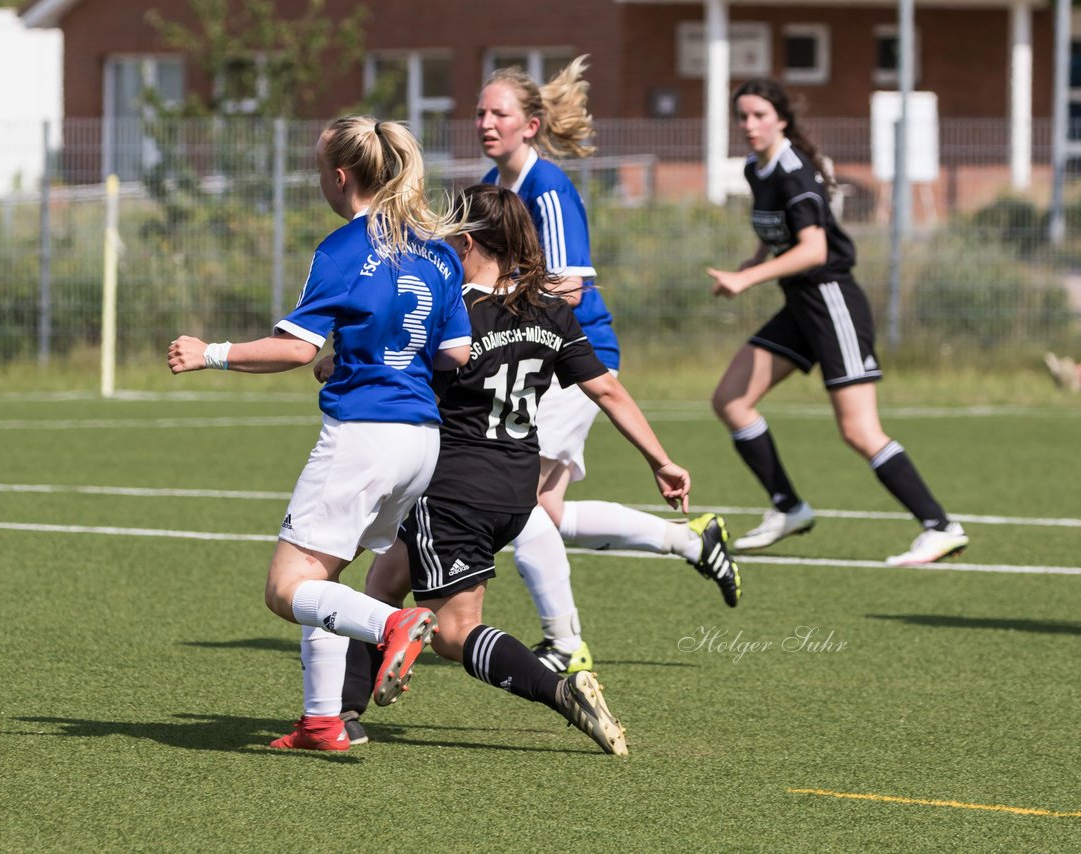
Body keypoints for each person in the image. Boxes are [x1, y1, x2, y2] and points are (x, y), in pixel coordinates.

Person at [334, 184, 723, 754]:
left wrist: (337, 367)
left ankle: (560, 690)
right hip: (516, 490)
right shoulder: (550, 310)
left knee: (453, 633)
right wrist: (661, 461)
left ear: (466, 242)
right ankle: (344, 712)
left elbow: (401, 369)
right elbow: (608, 390)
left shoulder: (454, 310)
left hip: (453, 489)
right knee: (386, 577)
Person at [167, 115, 472, 751]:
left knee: (288, 588)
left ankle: (393, 625)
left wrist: (211, 353)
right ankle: (321, 721)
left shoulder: (343, 249)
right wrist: (368, 353)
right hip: (421, 441)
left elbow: (294, 350)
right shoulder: (439, 252)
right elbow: (456, 353)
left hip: (365, 435)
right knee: (323, 577)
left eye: (318, 172)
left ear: (340, 178)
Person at [476, 57, 741, 676]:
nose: (486, 122)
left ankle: (566, 646)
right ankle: (689, 540)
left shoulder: (548, 190)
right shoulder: (499, 182)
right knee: (546, 513)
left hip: (572, 358)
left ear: (531, 125)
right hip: (538, 356)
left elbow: (567, 288)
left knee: (524, 508)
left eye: (499, 113)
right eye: (481, 112)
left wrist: (498, 310)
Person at [706, 78, 969, 566]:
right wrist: (753, 260)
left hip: (832, 303)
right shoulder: (754, 168)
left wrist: (750, 280)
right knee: (731, 400)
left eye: (759, 115)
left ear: (781, 119)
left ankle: (940, 526)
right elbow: (776, 231)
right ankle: (788, 507)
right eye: (742, 116)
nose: (748, 125)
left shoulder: (792, 170)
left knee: (859, 430)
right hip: (800, 307)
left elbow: (815, 249)